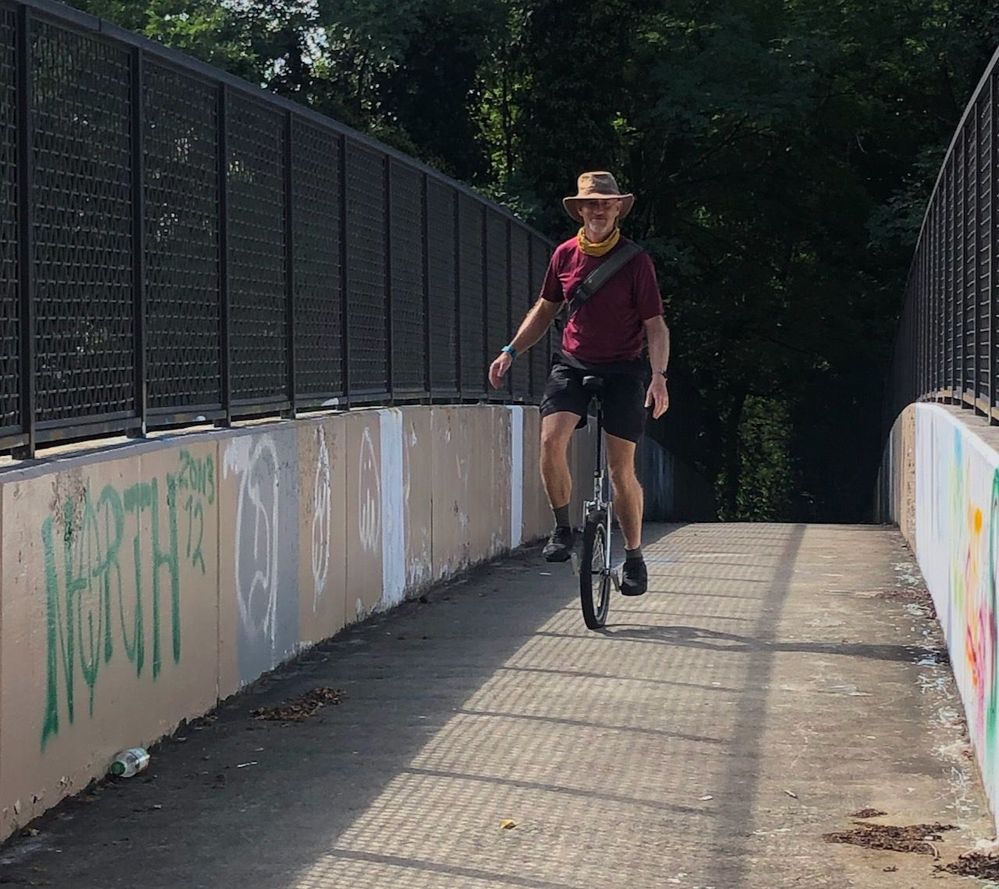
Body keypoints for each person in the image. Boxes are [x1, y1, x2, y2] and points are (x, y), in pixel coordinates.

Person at [488, 171, 670, 597]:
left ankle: (635, 557)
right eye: (591, 203)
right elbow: (545, 309)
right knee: (551, 441)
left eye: (606, 202)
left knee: (620, 467)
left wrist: (658, 377)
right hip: (573, 362)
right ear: (581, 209)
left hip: (625, 368)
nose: (599, 209)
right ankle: (563, 527)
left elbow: (656, 325)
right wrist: (510, 351)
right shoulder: (564, 255)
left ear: (618, 208)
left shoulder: (635, 261)